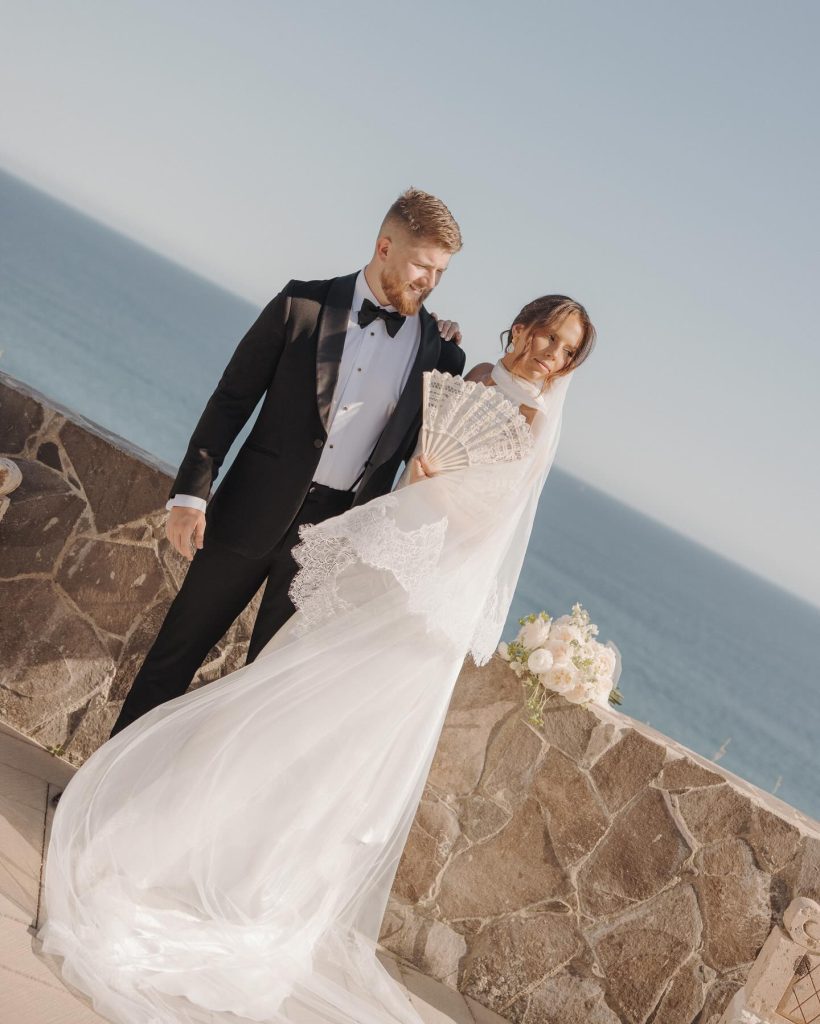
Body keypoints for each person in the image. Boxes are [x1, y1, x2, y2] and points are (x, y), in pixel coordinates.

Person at [36, 294, 596, 1024]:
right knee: (273, 693)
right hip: (383, 563)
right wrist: (442, 349)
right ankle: (157, 826)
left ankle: (257, 890)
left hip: (420, 605)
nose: (550, 353)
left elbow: (491, 519)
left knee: (330, 744)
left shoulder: (531, 421)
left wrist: (432, 488)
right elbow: (418, 396)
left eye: (567, 350)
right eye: (547, 335)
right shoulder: (479, 373)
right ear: (521, 326)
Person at [109, 187, 466, 739]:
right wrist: (189, 495)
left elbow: (437, 451)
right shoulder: (302, 304)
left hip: (334, 539)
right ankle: (98, 802)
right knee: (171, 660)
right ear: (385, 246)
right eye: (423, 265)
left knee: (266, 699)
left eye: (441, 272)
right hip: (245, 516)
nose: (430, 281)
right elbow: (231, 399)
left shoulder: (438, 353)